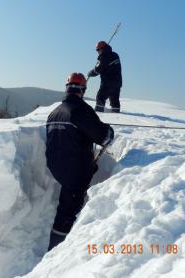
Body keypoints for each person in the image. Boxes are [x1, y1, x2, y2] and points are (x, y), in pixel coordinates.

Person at [45, 72, 114, 251]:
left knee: (68, 205)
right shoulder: (81, 110)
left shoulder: (54, 113)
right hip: (75, 170)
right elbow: (103, 136)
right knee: (68, 211)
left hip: (57, 168)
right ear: (82, 89)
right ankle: (56, 251)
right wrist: (109, 132)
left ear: (67, 87)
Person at [88, 41, 122, 113]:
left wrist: (90, 73)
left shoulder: (103, 58)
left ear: (102, 49)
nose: (97, 52)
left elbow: (97, 70)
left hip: (107, 83)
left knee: (100, 97)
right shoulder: (115, 55)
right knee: (114, 99)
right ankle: (116, 113)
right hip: (117, 83)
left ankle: (99, 113)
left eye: (98, 50)